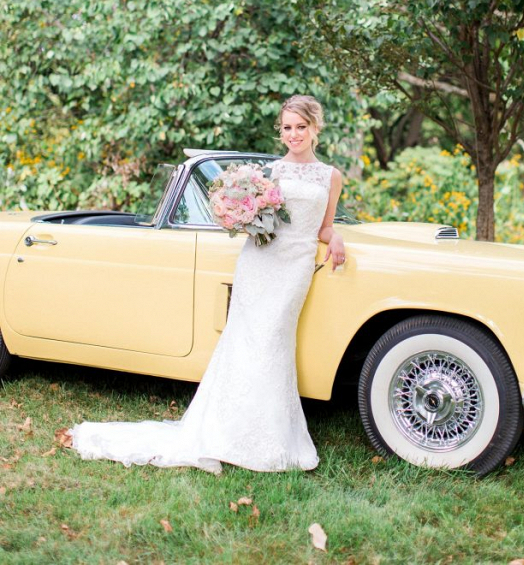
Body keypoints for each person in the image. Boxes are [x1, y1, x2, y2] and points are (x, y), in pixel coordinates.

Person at [69, 94, 345, 472]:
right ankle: (229, 431)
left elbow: (324, 226)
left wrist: (338, 238)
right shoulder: (273, 172)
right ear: (280, 132)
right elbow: (259, 215)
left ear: (315, 128)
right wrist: (238, 215)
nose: (293, 134)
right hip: (260, 260)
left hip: (294, 266)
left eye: (301, 127)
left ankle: (269, 435)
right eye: (287, 128)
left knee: (274, 338)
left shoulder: (331, 176)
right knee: (247, 338)